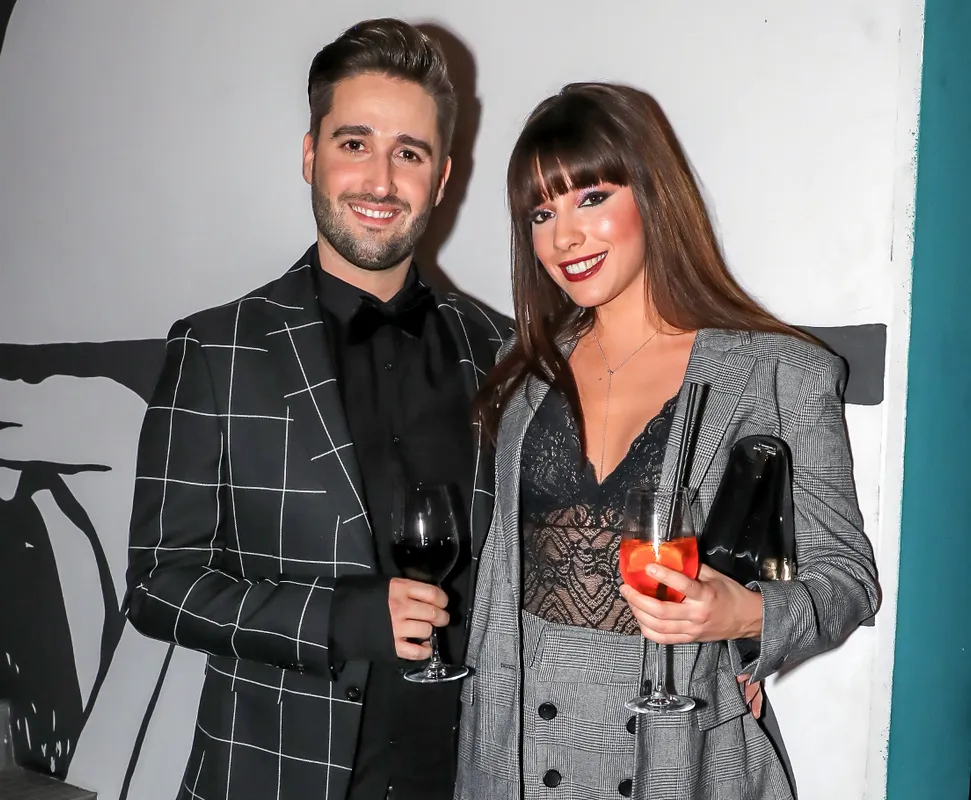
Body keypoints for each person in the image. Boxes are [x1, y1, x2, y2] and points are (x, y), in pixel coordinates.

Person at [457, 82, 879, 800]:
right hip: (515, 745)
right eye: (541, 212)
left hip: (677, 751)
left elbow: (847, 580)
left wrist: (743, 615)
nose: (563, 237)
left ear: (652, 195)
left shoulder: (778, 373)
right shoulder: (523, 376)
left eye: (591, 197)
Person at [125, 18, 509, 800]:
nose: (380, 181)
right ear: (310, 156)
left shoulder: (500, 351)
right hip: (273, 777)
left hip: (466, 775)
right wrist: (338, 619)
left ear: (441, 179)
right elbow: (158, 584)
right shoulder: (217, 349)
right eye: (353, 143)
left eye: (409, 153)